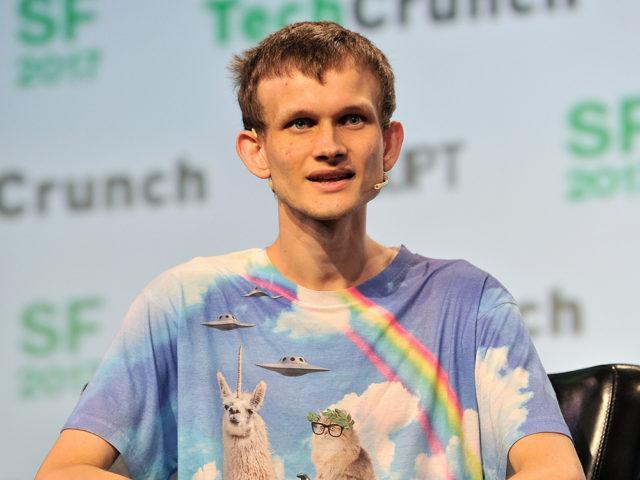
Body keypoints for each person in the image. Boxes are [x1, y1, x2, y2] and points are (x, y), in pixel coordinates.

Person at [36, 21, 584, 480]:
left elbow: (554, 470)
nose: (329, 146)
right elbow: (64, 471)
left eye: (352, 119)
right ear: (257, 152)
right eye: (300, 123)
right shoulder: (185, 301)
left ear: (388, 145)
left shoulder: (468, 301)